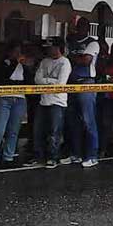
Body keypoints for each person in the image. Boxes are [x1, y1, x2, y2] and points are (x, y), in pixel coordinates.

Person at [0, 41, 31, 167]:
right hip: (4, 98)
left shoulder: (23, 66)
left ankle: (8, 155)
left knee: (13, 130)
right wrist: (14, 62)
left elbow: (29, 81)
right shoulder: (3, 64)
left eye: (19, 52)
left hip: (20, 98)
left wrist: (25, 66)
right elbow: (3, 78)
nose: (17, 54)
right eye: (15, 52)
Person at [63, 17, 101, 168]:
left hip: (86, 83)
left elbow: (86, 60)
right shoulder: (71, 40)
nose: (80, 29)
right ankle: (75, 153)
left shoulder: (92, 42)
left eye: (83, 26)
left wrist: (72, 56)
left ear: (87, 28)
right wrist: (75, 57)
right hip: (71, 82)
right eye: (78, 26)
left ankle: (92, 155)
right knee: (73, 121)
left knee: (88, 120)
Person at [33, 37, 71, 168]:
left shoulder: (65, 62)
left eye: (50, 47)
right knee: (38, 130)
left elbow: (61, 83)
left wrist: (46, 80)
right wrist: (51, 81)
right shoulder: (44, 61)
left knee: (55, 131)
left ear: (57, 48)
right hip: (44, 100)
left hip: (58, 101)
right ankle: (39, 155)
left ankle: (53, 157)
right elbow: (37, 79)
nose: (48, 50)